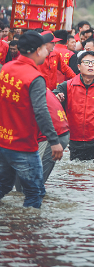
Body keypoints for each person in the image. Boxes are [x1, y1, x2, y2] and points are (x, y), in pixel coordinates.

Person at [0, 31, 62, 208]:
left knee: (4, 185)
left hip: (3, 140)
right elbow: (41, 112)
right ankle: (29, 225)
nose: (48, 51)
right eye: (44, 48)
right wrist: (54, 141)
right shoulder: (35, 77)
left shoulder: (6, 68)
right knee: (35, 193)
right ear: (37, 50)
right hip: (23, 144)